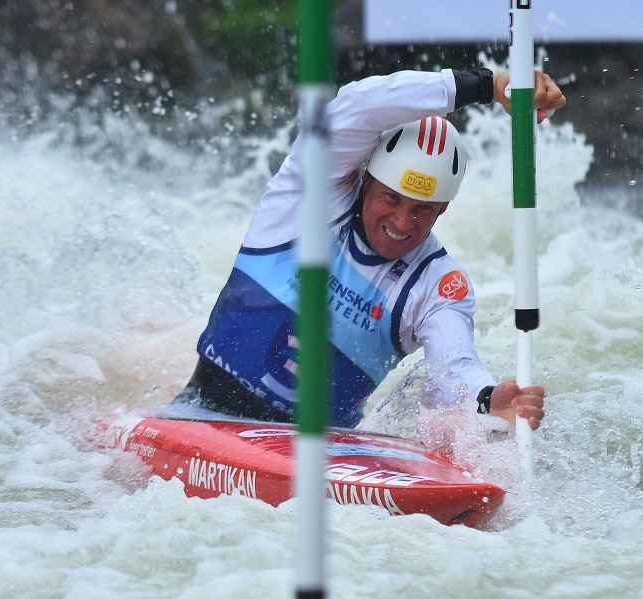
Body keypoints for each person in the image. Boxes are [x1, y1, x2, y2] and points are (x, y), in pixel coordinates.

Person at [171, 67, 564, 431]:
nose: (402, 222)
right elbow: (358, 105)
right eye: (391, 198)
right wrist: (487, 86)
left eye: (422, 209)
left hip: (320, 455)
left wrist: (486, 402)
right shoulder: (304, 199)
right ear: (365, 180)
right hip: (201, 414)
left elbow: (454, 367)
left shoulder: (438, 286)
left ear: (443, 209)